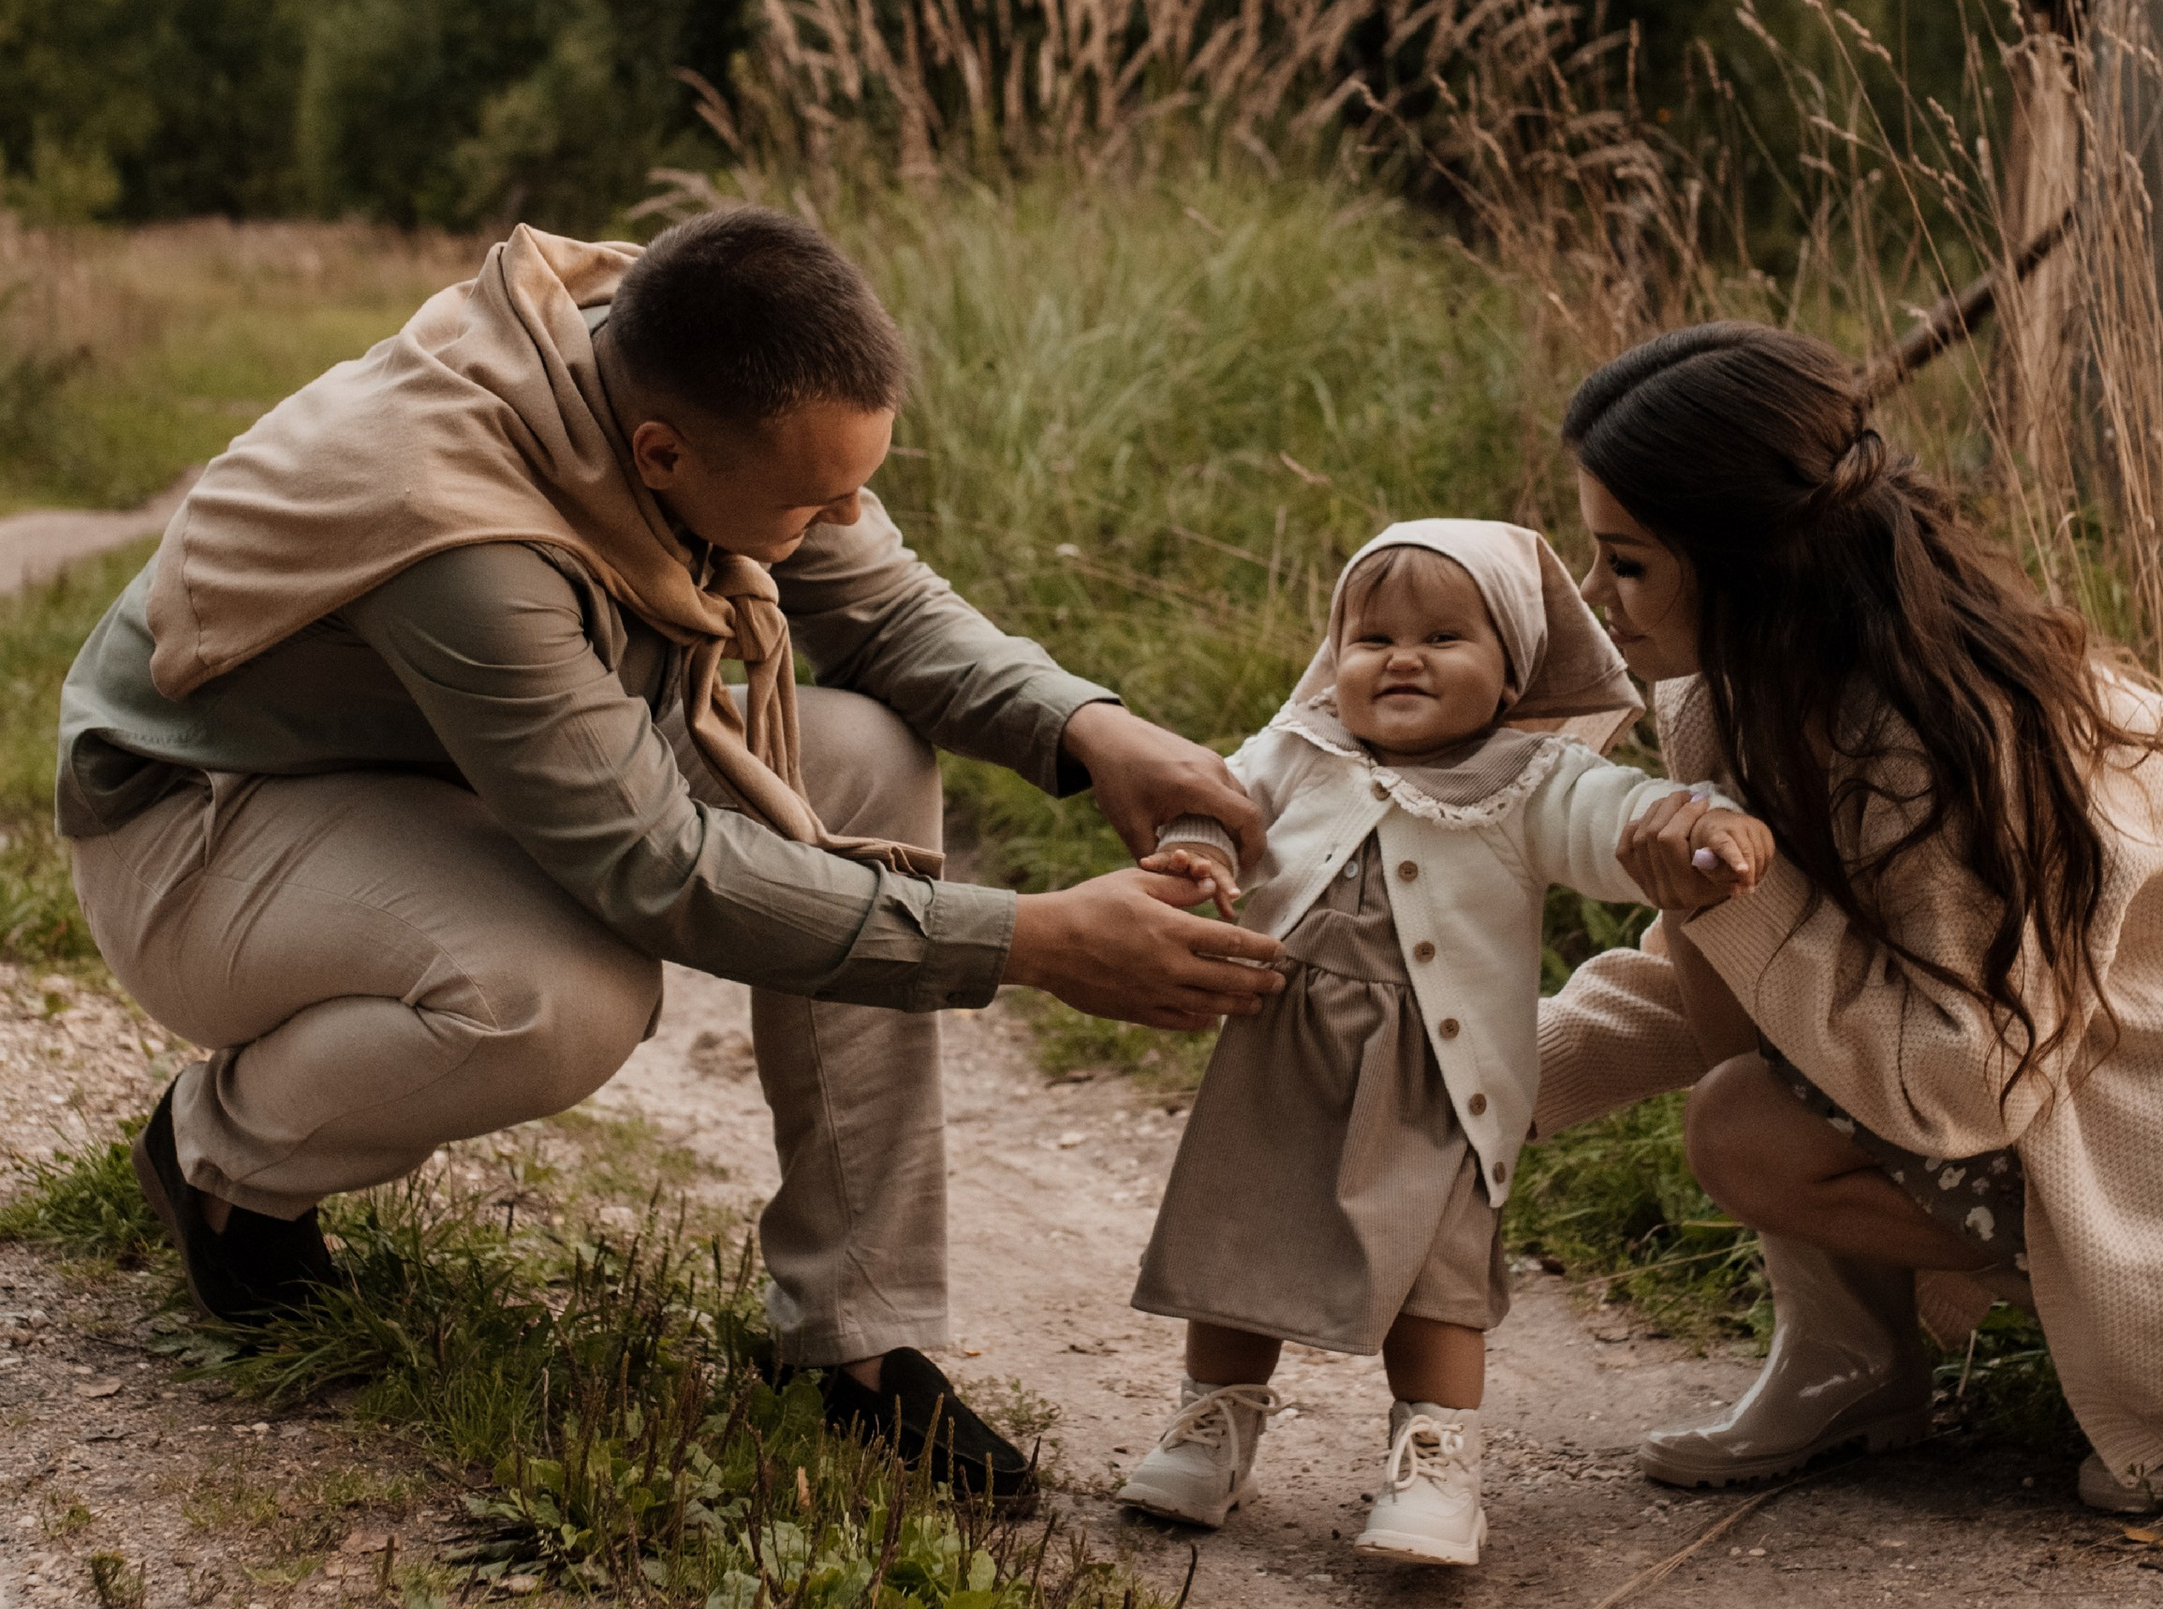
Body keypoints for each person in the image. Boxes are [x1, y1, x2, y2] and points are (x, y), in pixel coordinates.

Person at [57, 211, 1289, 1504]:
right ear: (660, 453)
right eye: (817, 502)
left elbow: (881, 604)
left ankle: (851, 1334)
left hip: (426, 760)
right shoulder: (464, 532)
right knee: (559, 993)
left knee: (862, 753)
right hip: (200, 821)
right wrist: (1035, 939)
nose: (848, 516)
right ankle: (222, 1158)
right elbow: (663, 872)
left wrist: (1093, 729)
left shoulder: (685, 360)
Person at [1537, 323, 2163, 1515]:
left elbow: (1972, 1082)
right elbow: (1719, 974)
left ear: (1747, 565)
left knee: (1745, 1125)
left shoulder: (1938, 745)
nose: (1597, 597)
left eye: (1627, 562)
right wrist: (1461, 1082)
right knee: (1748, 1050)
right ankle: (1849, 1367)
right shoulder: (1736, 696)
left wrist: (1735, 905)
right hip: (2119, 1051)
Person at [1116, 520, 1763, 1565]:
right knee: (1238, 1233)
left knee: (1436, 1275)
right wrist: (1193, 845)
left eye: (1444, 637)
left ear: (1510, 669)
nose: (1401, 657)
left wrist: (1699, 822)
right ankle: (1213, 1420)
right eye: (1371, 637)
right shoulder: (1298, 748)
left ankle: (1436, 1458)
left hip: (1437, 1080)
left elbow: (1620, 817)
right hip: (1280, 1059)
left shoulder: (1532, 780)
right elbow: (1216, 801)